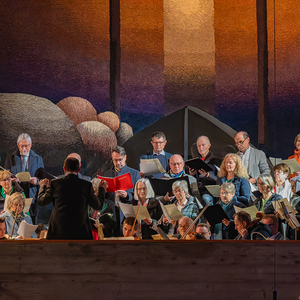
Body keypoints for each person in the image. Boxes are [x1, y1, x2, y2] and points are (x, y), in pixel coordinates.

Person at [37, 157, 106, 240]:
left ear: (64, 169)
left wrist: (42, 187)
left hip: (58, 233)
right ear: (79, 170)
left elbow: (41, 202)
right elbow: (98, 206)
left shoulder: (55, 184)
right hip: (80, 234)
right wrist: (101, 189)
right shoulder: (86, 186)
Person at [4, 133, 44, 223]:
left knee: (30, 223)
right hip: (16, 194)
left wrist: (36, 180)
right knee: (14, 222)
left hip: (31, 194)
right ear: (18, 145)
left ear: (31, 144)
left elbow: (42, 178)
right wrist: (12, 180)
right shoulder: (11, 157)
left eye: (27, 146)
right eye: (22, 146)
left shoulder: (38, 158)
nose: (24, 149)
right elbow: (5, 176)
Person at [103, 146, 141, 236]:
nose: (118, 163)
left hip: (126, 213)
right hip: (111, 212)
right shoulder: (107, 173)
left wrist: (127, 195)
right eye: (115, 160)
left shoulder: (134, 173)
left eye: (120, 159)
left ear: (125, 157)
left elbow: (139, 195)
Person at [188, 136, 222, 205]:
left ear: (209, 145)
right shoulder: (195, 160)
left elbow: (221, 179)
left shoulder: (217, 161)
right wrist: (191, 175)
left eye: (203, 145)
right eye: (199, 146)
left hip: (210, 190)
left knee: (206, 199)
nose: (201, 148)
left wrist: (208, 176)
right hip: (196, 189)